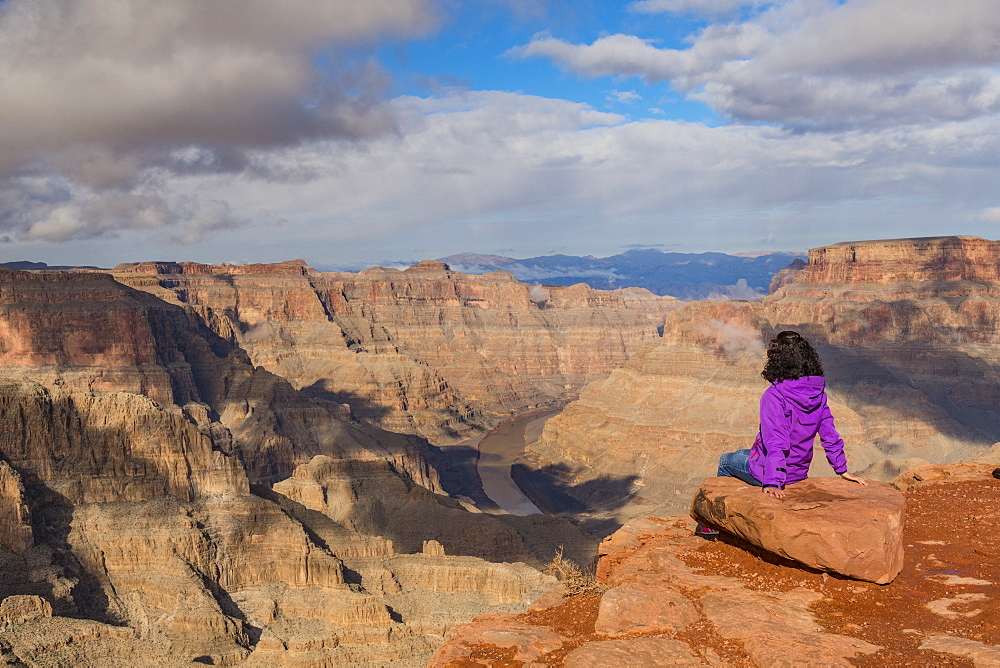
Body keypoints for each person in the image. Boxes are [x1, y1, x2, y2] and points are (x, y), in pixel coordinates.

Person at [696, 330, 867, 539]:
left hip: (772, 474)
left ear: (778, 361)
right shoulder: (817, 393)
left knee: (725, 460)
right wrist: (841, 469)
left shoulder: (775, 395)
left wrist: (773, 481)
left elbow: (775, 440)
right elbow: (829, 433)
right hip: (799, 472)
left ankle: (711, 524)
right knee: (743, 453)